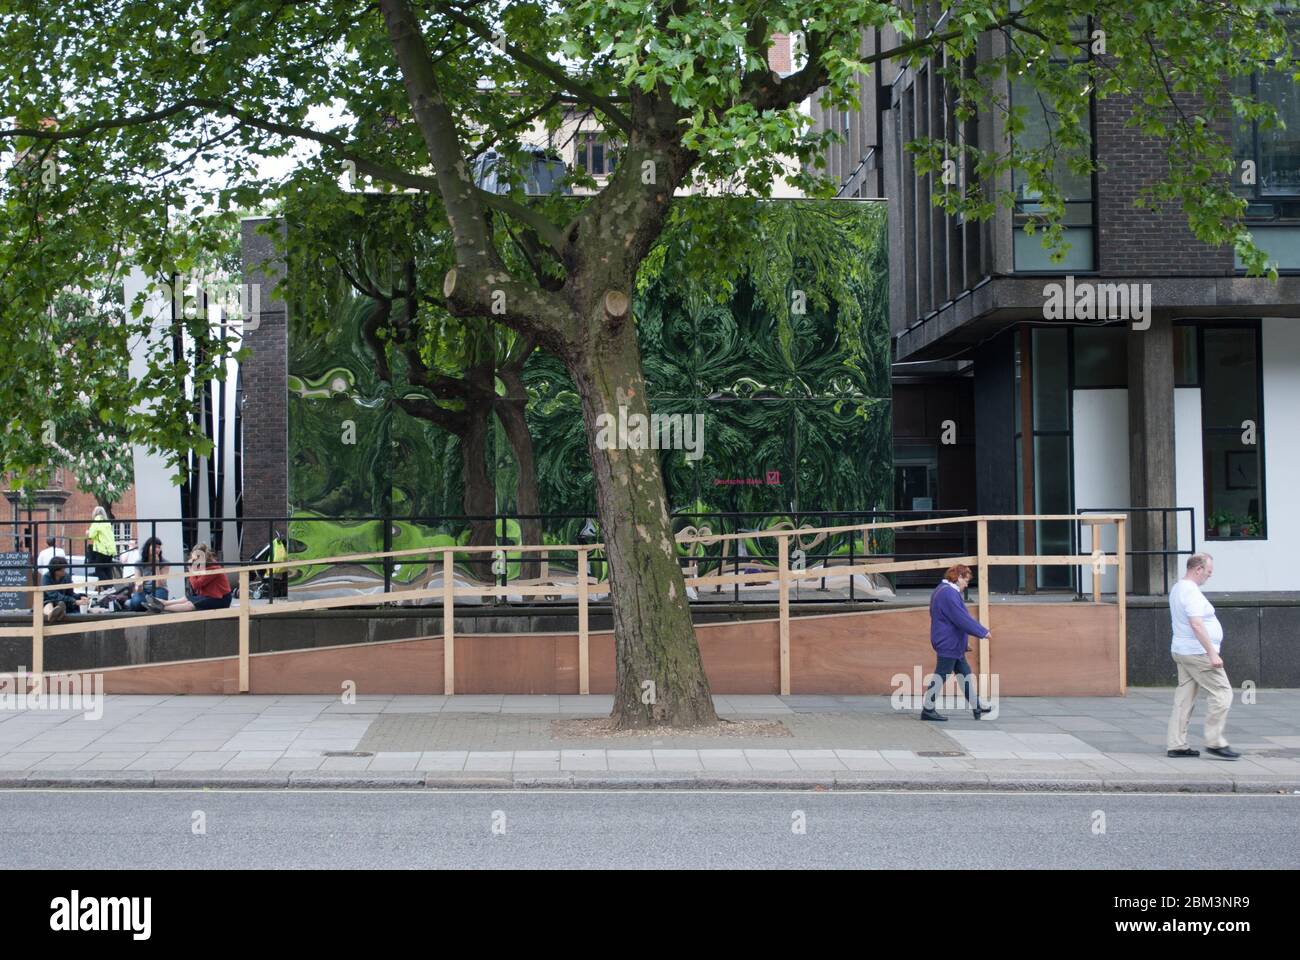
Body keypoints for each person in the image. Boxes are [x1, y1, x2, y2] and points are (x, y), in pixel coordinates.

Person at [1167, 553, 1239, 760]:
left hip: (1182, 650)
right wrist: (1212, 653)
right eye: (1208, 572)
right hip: (1197, 653)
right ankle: (1214, 741)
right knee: (1223, 693)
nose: (1209, 576)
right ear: (1198, 569)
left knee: (1184, 698)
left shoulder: (1178, 588)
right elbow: (1196, 624)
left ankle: (1177, 745)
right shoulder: (1191, 592)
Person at [921, 563, 994, 721]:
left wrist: (963, 643)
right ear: (958, 577)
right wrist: (982, 632)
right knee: (941, 675)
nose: (966, 585)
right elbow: (961, 619)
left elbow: (952, 620)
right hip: (949, 644)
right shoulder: (949, 594)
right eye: (966, 581)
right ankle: (927, 709)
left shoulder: (942, 590)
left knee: (964, 674)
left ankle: (977, 706)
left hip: (951, 643)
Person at [146, 544, 232, 612]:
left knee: (190, 605)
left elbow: (196, 585)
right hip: (211, 597)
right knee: (187, 598)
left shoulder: (213, 569)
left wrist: (191, 570)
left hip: (221, 600)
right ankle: (163, 602)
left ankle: (162, 607)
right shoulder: (202, 567)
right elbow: (196, 588)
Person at [125, 537, 169, 612]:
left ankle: (144, 605)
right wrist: (139, 586)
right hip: (144, 590)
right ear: (148, 547)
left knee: (157, 601)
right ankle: (142, 604)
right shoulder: (139, 563)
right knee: (136, 603)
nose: (157, 549)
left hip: (159, 589)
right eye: (155, 546)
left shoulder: (165, 563)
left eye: (159, 547)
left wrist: (157, 565)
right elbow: (138, 586)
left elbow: (159, 585)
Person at [41, 555, 88, 623]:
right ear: (55, 571)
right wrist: (74, 601)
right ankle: (51, 613)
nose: (64, 571)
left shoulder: (66, 577)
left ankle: (59, 611)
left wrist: (80, 597)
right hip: (48, 601)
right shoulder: (46, 578)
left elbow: (70, 594)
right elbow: (53, 595)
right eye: (62, 570)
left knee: (61, 603)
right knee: (48, 603)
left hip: (62, 602)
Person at [85, 506, 118, 585]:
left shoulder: (97, 521)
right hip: (110, 549)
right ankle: (111, 587)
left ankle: (108, 587)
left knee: (99, 569)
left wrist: (87, 532)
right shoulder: (106, 522)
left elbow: (91, 535)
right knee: (107, 569)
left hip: (102, 549)